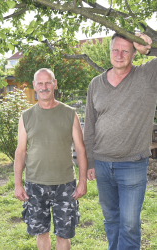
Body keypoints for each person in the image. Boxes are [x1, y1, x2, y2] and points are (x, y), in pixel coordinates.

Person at [84, 32, 157, 250]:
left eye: (126, 50)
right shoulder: (95, 85)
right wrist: (89, 162)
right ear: (109, 51)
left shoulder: (147, 76)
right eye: (115, 49)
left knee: (130, 224)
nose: (119, 54)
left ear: (134, 54)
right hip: (103, 164)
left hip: (133, 164)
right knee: (111, 220)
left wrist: (149, 47)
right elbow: (89, 126)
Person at [14, 68, 87, 250]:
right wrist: (17, 184)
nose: (44, 87)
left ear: (54, 84)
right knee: (41, 233)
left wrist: (83, 181)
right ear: (34, 86)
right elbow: (20, 152)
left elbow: (80, 148)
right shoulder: (26, 116)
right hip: (35, 184)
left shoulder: (70, 114)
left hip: (65, 184)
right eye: (40, 83)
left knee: (64, 234)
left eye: (48, 82)